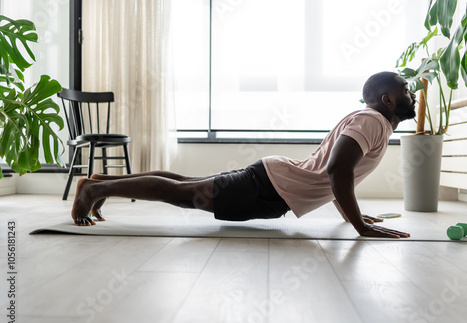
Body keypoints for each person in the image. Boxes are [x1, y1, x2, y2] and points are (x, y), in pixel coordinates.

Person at [71, 71, 416, 238]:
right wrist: (359, 226)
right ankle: (95, 190)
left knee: (186, 184)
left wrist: (349, 214)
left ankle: (101, 182)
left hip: (272, 181)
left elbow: (336, 173)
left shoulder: (372, 123)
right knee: (184, 195)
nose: (411, 94)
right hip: (269, 187)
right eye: (406, 90)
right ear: (388, 99)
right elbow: (337, 170)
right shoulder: (373, 121)